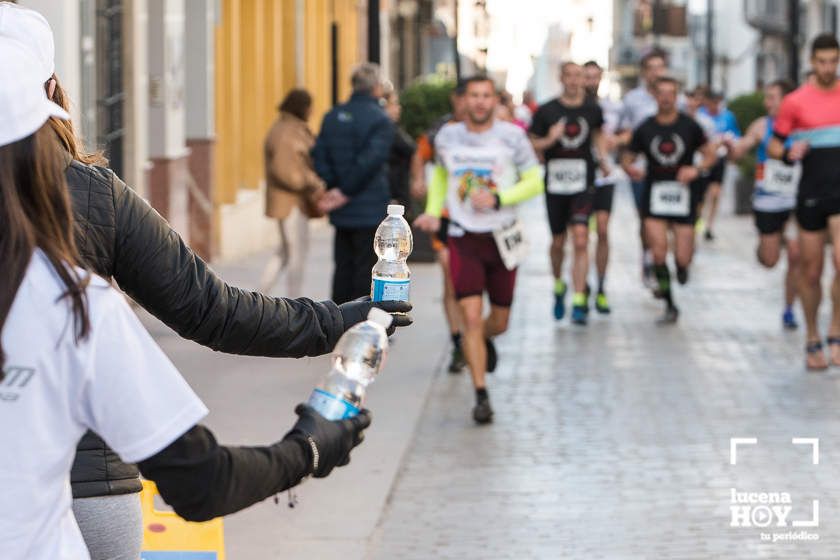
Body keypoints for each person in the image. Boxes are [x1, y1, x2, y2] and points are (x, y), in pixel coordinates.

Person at [0, 5, 412, 558]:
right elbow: (201, 475)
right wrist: (311, 444)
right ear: (51, 95)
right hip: (90, 495)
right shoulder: (74, 305)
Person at [414, 75, 544, 423]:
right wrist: (431, 211)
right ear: (463, 100)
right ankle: (481, 394)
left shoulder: (512, 136)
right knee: (470, 316)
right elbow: (441, 177)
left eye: (487, 95)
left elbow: (535, 181)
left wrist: (500, 197)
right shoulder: (448, 137)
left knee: (498, 322)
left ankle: (482, 342)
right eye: (474, 95)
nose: (481, 102)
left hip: (502, 237)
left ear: (495, 100)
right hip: (463, 236)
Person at [768, 33, 840, 370]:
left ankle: (836, 330)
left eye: (833, 61)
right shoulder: (795, 102)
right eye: (822, 62)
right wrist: (788, 152)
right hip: (810, 194)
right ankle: (812, 336)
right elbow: (774, 146)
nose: (828, 68)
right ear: (812, 62)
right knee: (812, 273)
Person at [621, 77, 715, 323]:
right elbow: (627, 158)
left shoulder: (689, 126)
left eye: (670, 93)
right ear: (655, 96)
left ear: (677, 97)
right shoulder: (645, 128)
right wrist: (631, 169)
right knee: (659, 253)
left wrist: (696, 170)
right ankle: (670, 303)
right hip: (655, 194)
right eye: (661, 93)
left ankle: (682, 268)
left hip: (683, 195)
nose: (665, 98)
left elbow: (710, 155)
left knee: (682, 257)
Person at [530, 62, 610, 324]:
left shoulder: (592, 109)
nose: (575, 81)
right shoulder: (547, 110)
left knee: (580, 237)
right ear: (561, 78)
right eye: (570, 76)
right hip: (555, 184)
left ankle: (578, 298)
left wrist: (604, 159)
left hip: (583, 182)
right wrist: (550, 140)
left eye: (578, 76)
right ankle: (558, 285)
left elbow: (598, 135)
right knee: (557, 242)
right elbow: (532, 143)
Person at [313, 62, 395, 304]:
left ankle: (335, 319)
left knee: (343, 266)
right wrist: (346, 191)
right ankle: (359, 324)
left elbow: (319, 156)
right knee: (365, 269)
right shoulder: (381, 120)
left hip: (342, 209)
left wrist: (335, 188)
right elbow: (370, 162)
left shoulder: (332, 116)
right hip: (368, 207)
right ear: (377, 88)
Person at [726, 80, 800, 330]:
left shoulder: (802, 126)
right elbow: (741, 148)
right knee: (769, 260)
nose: (767, 103)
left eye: (772, 97)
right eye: (766, 98)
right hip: (767, 201)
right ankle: (773, 239)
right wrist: (732, 149)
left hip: (796, 200)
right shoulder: (761, 126)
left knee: (796, 255)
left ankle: (789, 309)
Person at [411, 81, 469, 374]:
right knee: (450, 274)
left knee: (472, 283)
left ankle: (474, 332)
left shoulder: (491, 133)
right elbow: (419, 155)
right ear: (455, 100)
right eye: (464, 98)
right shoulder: (440, 130)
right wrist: (418, 180)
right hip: (445, 212)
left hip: (478, 216)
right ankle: (458, 340)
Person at [260, 88, 325, 297]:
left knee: (286, 253)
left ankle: (262, 295)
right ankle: (294, 301)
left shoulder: (287, 128)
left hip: (293, 202)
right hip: (290, 203)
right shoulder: (287, 132)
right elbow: (286, 171)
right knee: (294, 255)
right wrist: (312, 181)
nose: (312, 111)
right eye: (309, 107)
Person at [618, 50, 669, 289]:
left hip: (668, 168)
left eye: (660, 67)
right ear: (644, 72)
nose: (656, 72)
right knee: (646, 218)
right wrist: (626, 163)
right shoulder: (633, 100)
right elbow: (623, 133)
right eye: (651, 68)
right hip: (641, 169)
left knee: (666, 218)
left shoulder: (673, 99)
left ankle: (660, 257)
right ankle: (649, 258)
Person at [583, 60, 623, 313]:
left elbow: (631, 132)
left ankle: (600, 285)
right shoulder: (573, 108)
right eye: (587, 77)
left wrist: (615, 141)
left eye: (595, 77)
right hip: (579, 178)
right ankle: (581, 283)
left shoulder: (612, 108)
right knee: (579, 236)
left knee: (603, 231)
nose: (591, 82)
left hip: (605, 178)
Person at [697, 87, 741, 241]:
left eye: (718, 102)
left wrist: (729, 144)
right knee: (700, 196)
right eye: (712, 102)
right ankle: (699, 222)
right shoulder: (700, 115)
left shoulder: (728, 116)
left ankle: (709, 226)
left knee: (715, 194)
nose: (715, 106)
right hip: (702, 158)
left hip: (719, 158)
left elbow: (736, 135)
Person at [384, 89, 417, 210]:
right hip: (393, 197)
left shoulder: (394, 129)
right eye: (394, 104)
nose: (398, 108)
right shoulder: (388, 130)